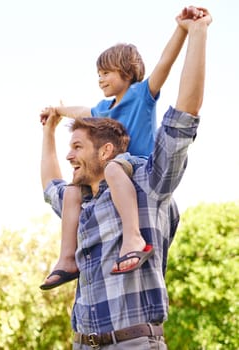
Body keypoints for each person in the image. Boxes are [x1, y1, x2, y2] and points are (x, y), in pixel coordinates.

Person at [40, 8, 211, 349]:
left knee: (120, 171)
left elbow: (182, 112)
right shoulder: (84, 203)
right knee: (72, 191)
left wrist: (192, 32)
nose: (70, 156)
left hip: (132, 342)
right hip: (84, 342)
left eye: (76, 147)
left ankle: (133, 239)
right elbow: (50, 185)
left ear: (103, 150)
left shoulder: (148, 184)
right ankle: (66, 258)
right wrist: (52, 123)